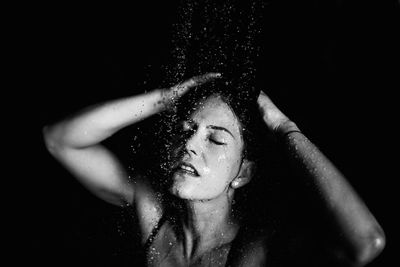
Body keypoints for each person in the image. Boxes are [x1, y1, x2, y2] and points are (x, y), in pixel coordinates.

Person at [43, 72, 385, 266]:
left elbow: (366, 242)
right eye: (186, 131)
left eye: (216, 140)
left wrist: (284, 129)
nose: (190, 145)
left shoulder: (256, 251)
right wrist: (163, 99)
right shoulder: (153, 216)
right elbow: (60, 140)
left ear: (243, 173)